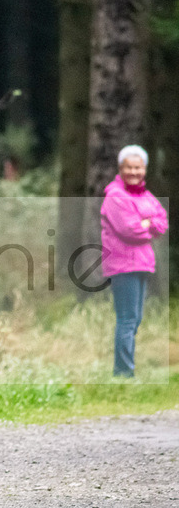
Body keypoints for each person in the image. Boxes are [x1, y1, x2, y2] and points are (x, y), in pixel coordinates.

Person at [100, 145, 168, 378]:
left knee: (135, 319)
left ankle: (124, 368)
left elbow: (162, 221)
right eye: (129, 167)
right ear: (121, 169)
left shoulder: (145, 196)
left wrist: (146, 222)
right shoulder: (115, 196)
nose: (133, 172)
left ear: (144, 170)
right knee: (127, 319)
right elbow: (130, 230)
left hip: (142, 263)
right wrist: (147, 222)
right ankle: (123, 372)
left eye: (138, 167)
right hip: (122, 265)